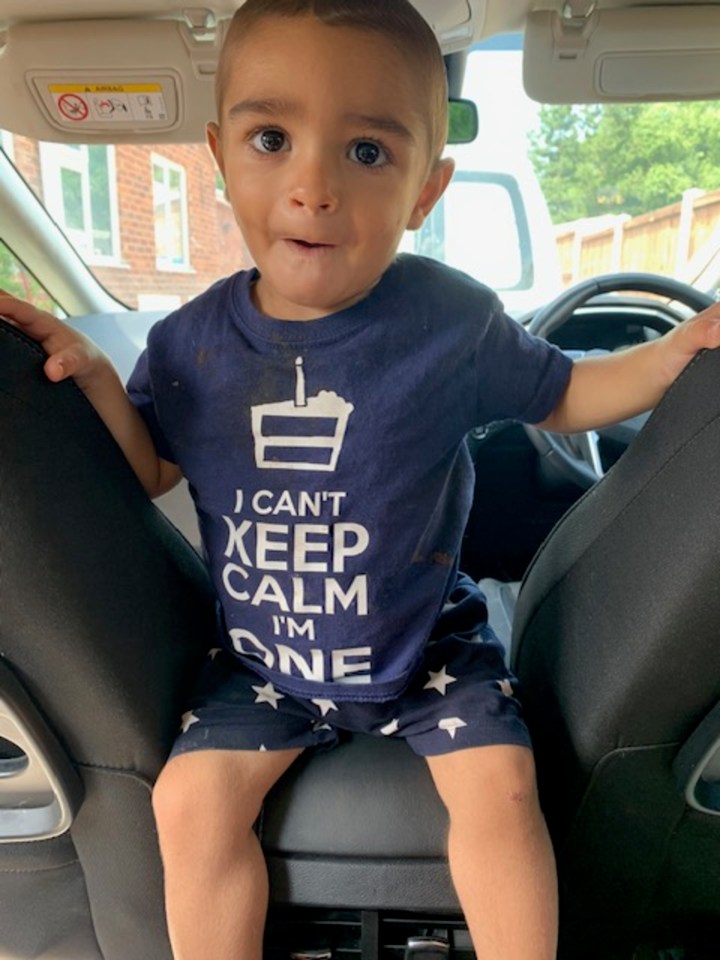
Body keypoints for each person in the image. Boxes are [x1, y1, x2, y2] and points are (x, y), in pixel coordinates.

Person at [3, 1, 720, 957]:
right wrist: (95, 376)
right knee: (187, 802)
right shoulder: (191, 344)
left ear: (427, 189)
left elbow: (568, 395)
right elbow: (155, 465)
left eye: (369, 154)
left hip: (427, 646)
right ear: (220, 157)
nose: (313, 185)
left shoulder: (450, 323)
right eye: (272, 137)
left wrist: (679, 350)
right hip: (265, 662)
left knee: (505, 789)